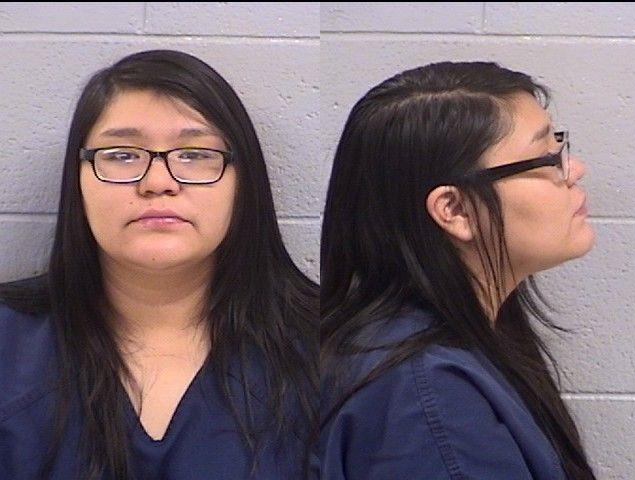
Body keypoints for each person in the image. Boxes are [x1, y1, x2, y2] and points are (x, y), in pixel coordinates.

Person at [0, 49, 317, 480]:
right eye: (122, 155)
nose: (158, 183)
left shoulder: (326, 349)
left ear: (243, 182)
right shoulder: (11, 345)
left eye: (195, 154)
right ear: (79, 179)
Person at [318, 62, 596, 479]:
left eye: (559, 145)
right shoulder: (428, 397)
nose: (574, 170)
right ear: (455, 210)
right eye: (545, 158)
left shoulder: (451, 348)